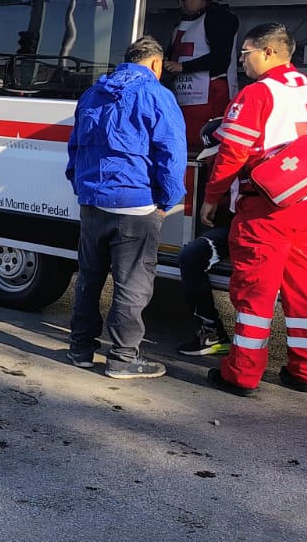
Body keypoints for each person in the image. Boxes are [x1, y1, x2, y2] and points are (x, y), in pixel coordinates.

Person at [199, 23, 307, 396]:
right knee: (306, 286)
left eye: (245, 54)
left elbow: (232, 153)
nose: (242, 62)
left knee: (256, 290)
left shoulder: (257, 94)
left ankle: (242, 374)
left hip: (269, 207)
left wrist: (212, 197)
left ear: (268, 52)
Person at [65, 35, 187, 379]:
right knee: (132, 285)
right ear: (156, 64)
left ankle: (80, 350)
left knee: (89, 278)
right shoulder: (157, 95)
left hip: (92, 202)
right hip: (135, 205)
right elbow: (172, 154)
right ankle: (122, 359)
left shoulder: (93, 93)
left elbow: (75, 147)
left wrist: (82, 188)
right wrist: (167, 200)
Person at [176, 118, 234, 357]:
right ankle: (212, 333)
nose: (214, 159)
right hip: (235, 227)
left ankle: (212, 332)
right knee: (191, 255)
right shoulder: (217, 161)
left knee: (192, 257)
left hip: (251, 228)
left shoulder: (248, 161)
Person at [165, 0, 240, 154]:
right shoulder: (182, 21)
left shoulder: (220, 17)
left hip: (211, 95)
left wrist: (182, 67)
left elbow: (221, 59)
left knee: (205, 147)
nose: (180, 5)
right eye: (177, 0)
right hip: (184, 97)